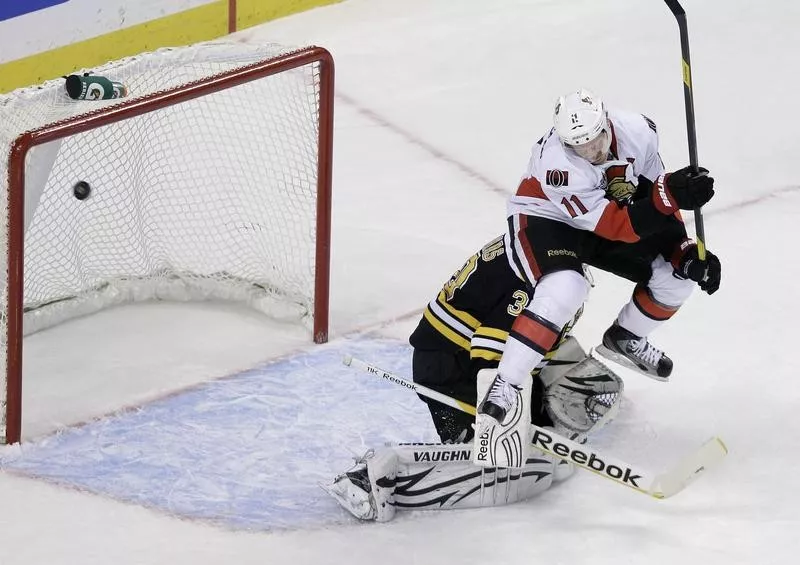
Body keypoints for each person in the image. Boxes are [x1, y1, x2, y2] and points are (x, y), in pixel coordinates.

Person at [474, 88, 722, 464]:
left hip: (606, 217)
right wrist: (670, 195)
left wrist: (682, 250)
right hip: (546, 219)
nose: (593, 152)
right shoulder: (557, 166)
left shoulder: (639, 131)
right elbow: (614, 226)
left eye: (597, 139)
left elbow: (651, 192)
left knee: (678, 277)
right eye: (581, 147)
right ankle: (505, 384)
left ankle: (626, 337)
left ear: (607, 122)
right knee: (565, 287)